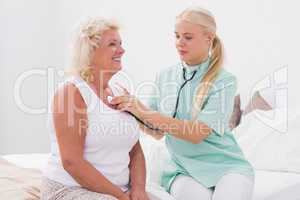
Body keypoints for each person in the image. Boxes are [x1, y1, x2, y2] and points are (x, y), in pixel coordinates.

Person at [110, 7, 255, 200]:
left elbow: (196, 133)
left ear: (208, 38)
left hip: (227, 166)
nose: (179, 43)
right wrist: (130, 111)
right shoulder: (164, 76)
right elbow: (156, 132)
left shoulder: (224, 80)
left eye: (188, 37)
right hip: (182, 169)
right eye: (177, 36)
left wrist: (141, 110)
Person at [41, 17, 158, 200]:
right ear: (90, 52)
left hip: (119, 190)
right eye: (112, 44)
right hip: (70, 188)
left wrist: (138, 190)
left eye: (121, 43)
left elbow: (135, 150)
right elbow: (72, 162)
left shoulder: (119, 91)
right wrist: (120, 196)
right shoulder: (72, 93)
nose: (122, 50)